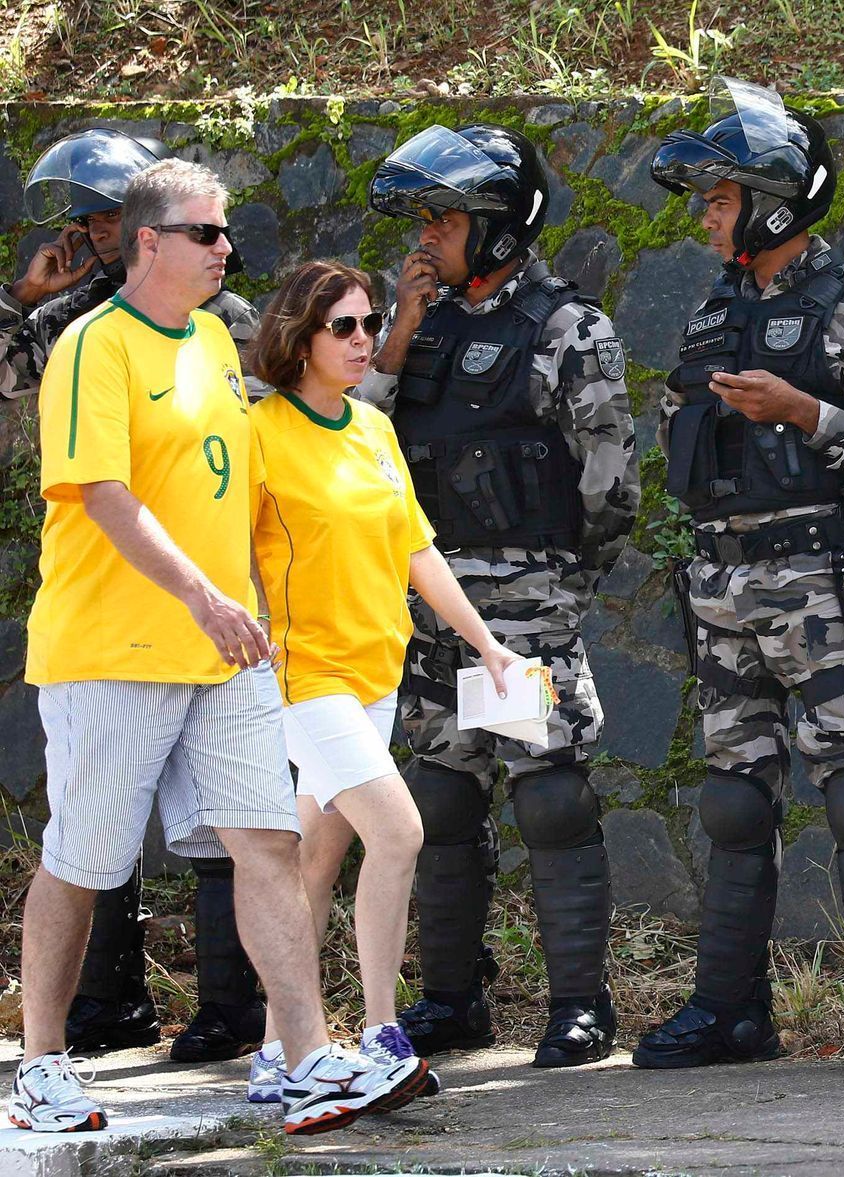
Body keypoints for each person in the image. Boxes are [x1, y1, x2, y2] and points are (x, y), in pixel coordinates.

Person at [10, 158, 428, 1137]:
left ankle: (307, 1059)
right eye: (206, 233)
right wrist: (202, 594)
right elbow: (104, 493)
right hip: (111, 650)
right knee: (85, 861)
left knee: (270, 843)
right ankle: (40, 1065)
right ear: (147, 241)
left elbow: (257, 499)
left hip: (225, 655)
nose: (225, 249)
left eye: (227, 232)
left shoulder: (208, 341)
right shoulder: (92, 348)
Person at [635, 79, 844, 1077]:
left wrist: (806, 414)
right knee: (733, 799)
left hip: (818, 574)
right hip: (720, 583)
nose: (706, 216)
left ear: (770, 201)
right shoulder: (712, 312)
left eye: (720, 198)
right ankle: (730, 1011)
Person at [358, 123, 637, 1068]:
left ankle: (579, 1007)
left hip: (524, 613)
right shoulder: (418, 326)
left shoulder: (566, 329)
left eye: (444, 219)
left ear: (500, 227)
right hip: (431, 611)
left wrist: (552, 588)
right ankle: (450, 1000)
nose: (425, 234)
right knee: (439, 800)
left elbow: (611, 486)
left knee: (548, 799)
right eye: (425, 218)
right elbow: (356, 441)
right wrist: (398, 326)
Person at [3, 127, 266, 1064]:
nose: (98, 235)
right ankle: (62, 1042)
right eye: (93, 221)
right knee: (90, 855)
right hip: (117, 626)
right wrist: (20, 300)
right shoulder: (80, 333)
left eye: (111, 216)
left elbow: (253, 464)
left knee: (247, 841)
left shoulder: (220, 326)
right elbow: (95, 484)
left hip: (218, 631)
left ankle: (268, 1032)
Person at [239, 260, 522, 1103]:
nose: (364, 341)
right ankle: (377, 1031)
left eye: (369, 324)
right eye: (344, 328)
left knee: (315, 856)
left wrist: (488, 644)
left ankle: (276, 1053)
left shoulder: (371, 428)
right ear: (299, 336)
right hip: (301, 671)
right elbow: (223, 547)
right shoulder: (259, 431)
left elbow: (413, 550)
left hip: (373, 671)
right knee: (398, 831)